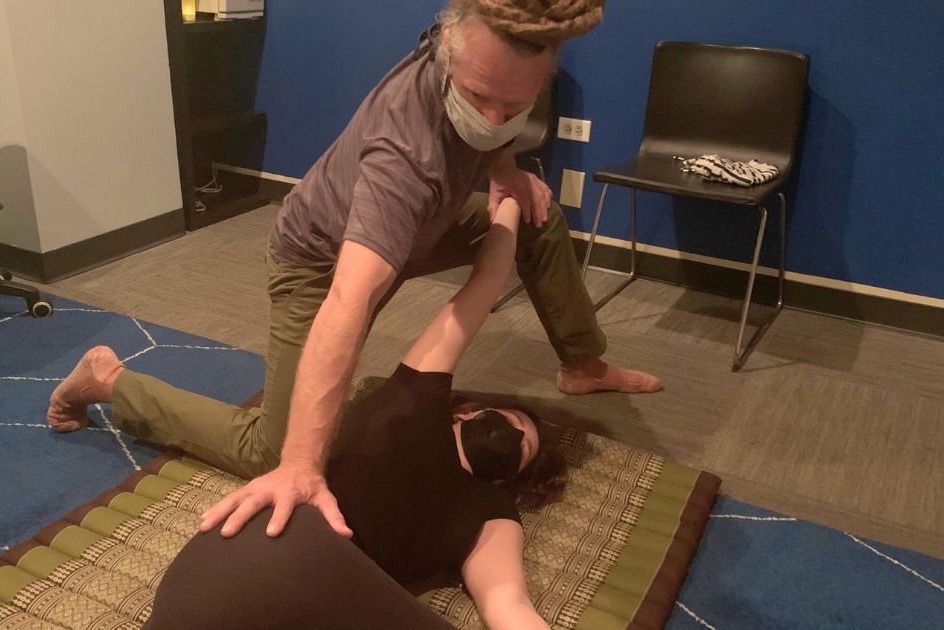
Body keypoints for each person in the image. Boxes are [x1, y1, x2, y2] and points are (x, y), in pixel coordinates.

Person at [48, 0, 657, 541]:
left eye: (515, 105)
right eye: (477, 97)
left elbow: (493, 120)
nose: (495, 117)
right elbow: (348, 297)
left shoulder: (460, 33)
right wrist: (302, 467)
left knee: (537, 214)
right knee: (273, 451)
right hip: (318, 260)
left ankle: (582, 364)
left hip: (427, 226)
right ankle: (109, 380)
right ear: (446, 63)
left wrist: (504, 174)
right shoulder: (404, 156)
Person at [54, 198, 563, 629]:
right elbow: (484, 283)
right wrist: (512, 201)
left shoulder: (492, 513)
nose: (516, 438)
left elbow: (508, 606)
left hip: (266, 592)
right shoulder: (416, 398)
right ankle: (112, 383)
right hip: (282, 549)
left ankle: (112, 383)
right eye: (515, 422)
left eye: (525, 450)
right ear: (468, 412)